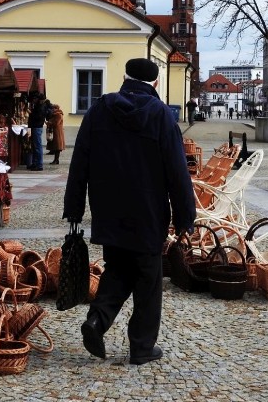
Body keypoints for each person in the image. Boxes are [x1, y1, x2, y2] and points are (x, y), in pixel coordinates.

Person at [63, 58, 195, 366]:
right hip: (148, 211)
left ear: (123, 78)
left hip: (108, 209)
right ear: (156, 84)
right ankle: (142, 346)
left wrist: (74, 207)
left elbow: (79, 161)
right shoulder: (162, 116)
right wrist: (184, 217)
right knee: (148, 278)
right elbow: (177, 171)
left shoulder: (98, 110)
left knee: (119, 267)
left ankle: (97, 320)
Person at [27, 93, 52, 170]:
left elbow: (38, 117)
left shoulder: (42, 106)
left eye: (35, 99)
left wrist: (31, 113)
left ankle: (39, 165)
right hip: (37, 126)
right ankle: (35, 163)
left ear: (39, 99)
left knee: (37, 146)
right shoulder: (41, 105)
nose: (34, 101)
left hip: (37, 126)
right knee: (35, 146)